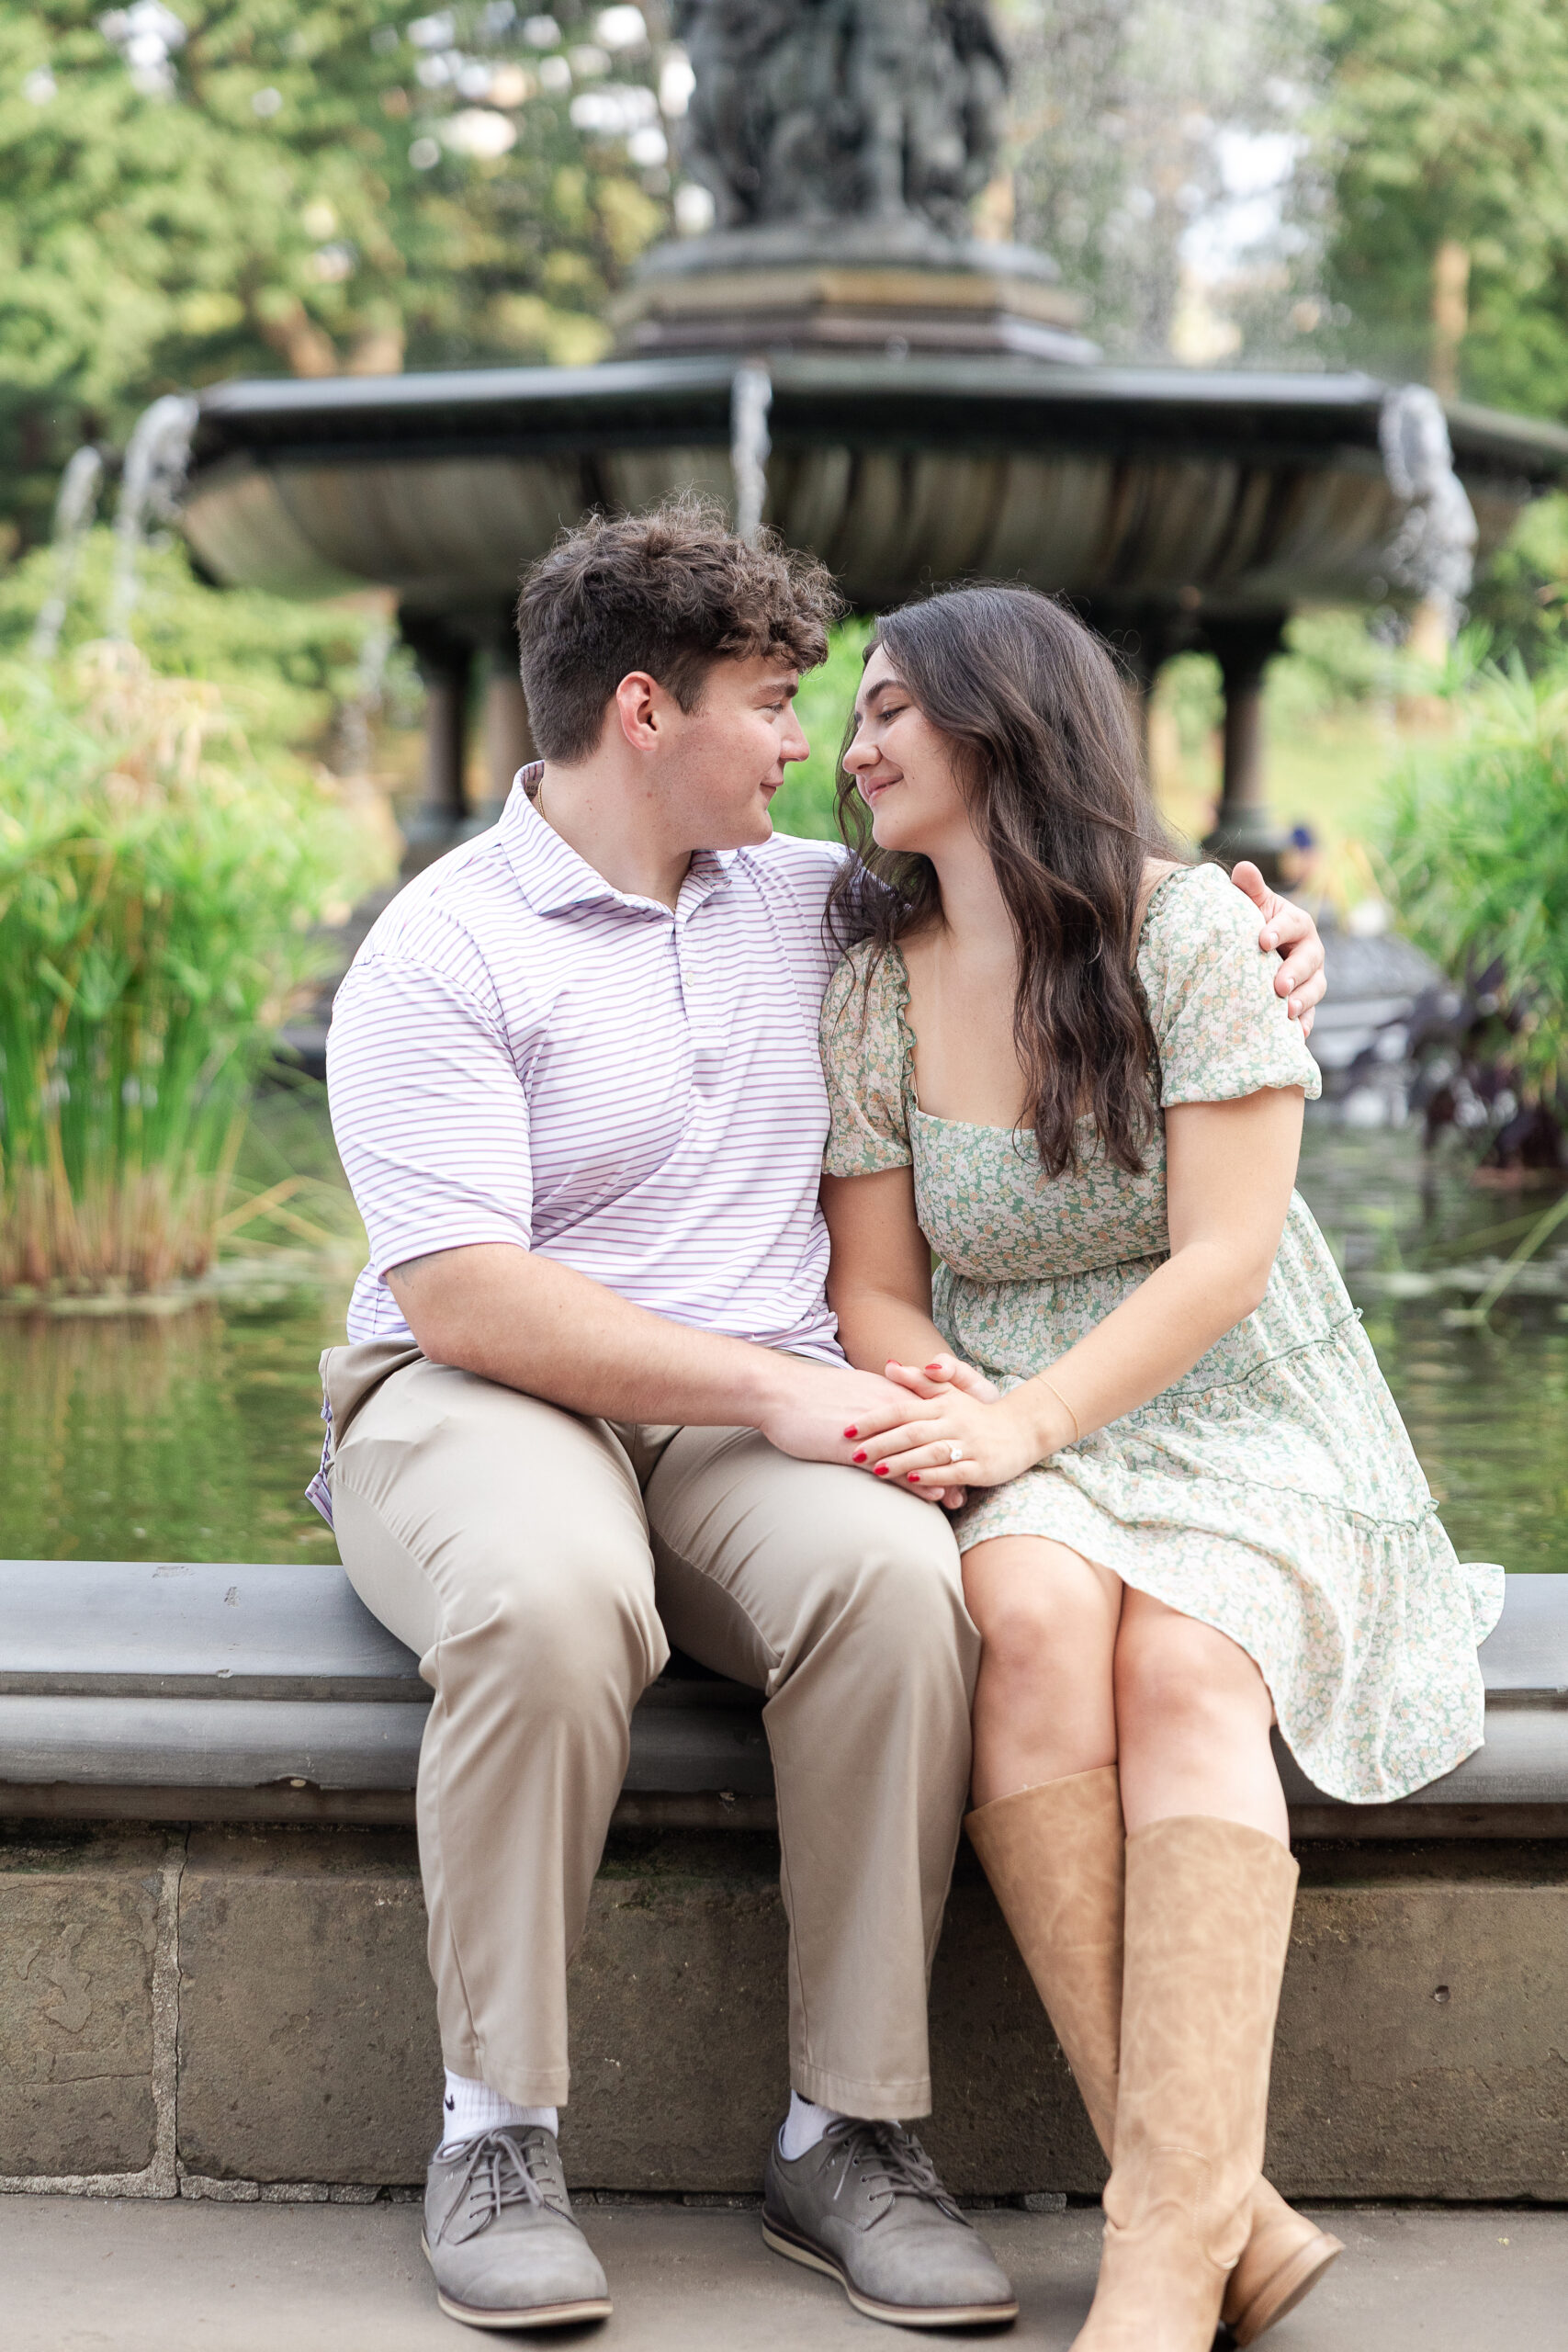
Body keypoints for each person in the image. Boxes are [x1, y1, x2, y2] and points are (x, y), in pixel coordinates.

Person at [313, 502, 1327, 2334]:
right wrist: (791, 1380)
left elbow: (1075, 899)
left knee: (891, 1581)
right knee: (553, 1600)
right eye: (772, 702)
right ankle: (495, 2127)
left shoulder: (814, 900)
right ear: (644, 711)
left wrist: (1261, 946)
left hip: (747, 1415)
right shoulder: (439, 952)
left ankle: (846, 2130)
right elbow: (465, 1292)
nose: (808, 746)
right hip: (472, 1394)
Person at [816, 583, 1504, 2351]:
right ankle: (1220, 2216)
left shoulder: (1194, 931)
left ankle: (1154, 2257)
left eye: (895, 708)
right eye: (853, 713)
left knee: (1189, 1662)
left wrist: (1026, 1426)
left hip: (1237, 1392)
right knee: (1030, 1617)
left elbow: (1224, 1261)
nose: (857, 742)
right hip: (998, 1388)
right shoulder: (871, 982)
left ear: (1005, 723)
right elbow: (879, 1277)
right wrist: (953, 1407)